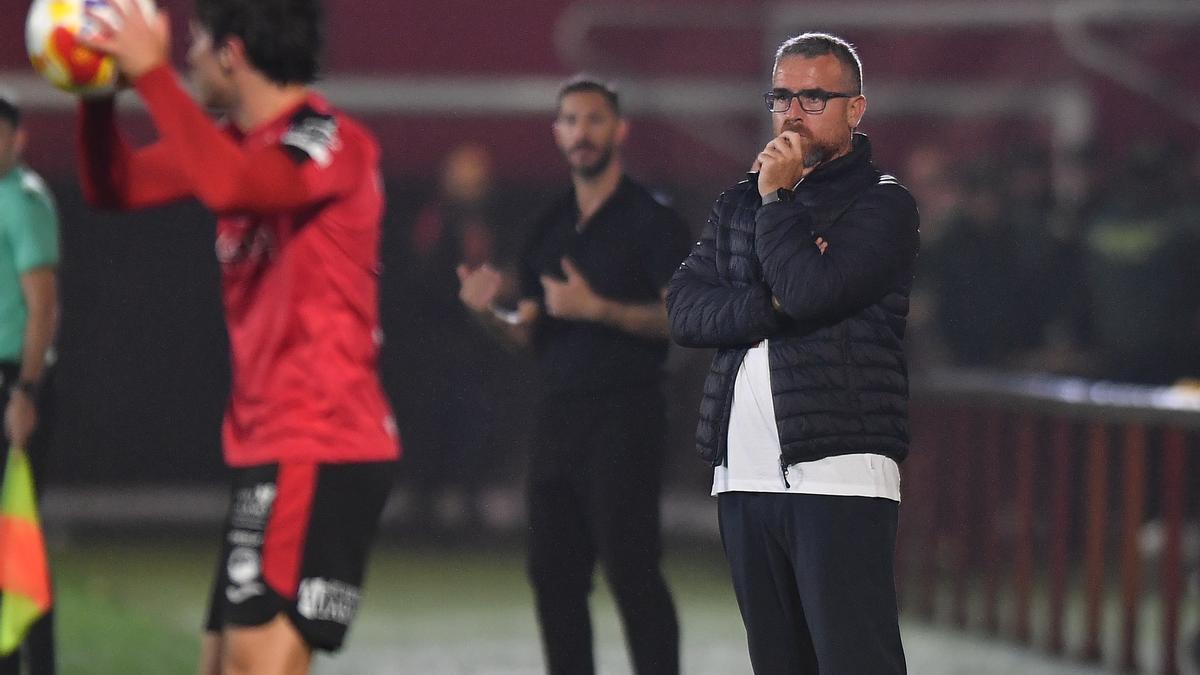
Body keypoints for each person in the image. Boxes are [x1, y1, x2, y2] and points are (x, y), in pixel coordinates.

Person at [75, 1, 400, 673]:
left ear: (233, 52)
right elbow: (114, 186)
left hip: (321, 436)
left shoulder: (329, 137)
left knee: (258, 664)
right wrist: (98, 95)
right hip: (271, 442)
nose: (188, 55)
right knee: (224, 664)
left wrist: (151, 76)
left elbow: (233, 188)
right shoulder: (233, 145)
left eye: (196, 40)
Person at [666, 33, 919, 674]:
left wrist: (778, 200)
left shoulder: (882, 203)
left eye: (814, 96)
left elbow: (811, 292)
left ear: (856, 110)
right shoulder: (737, 201)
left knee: (855, 660)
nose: (793, 113)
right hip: (742, 475)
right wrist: (767, 306)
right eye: (782, 96)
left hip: (840, 467)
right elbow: (685, 310)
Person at [457, 76, 688, 675]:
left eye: (594, 120)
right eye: (570, 121)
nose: (581, 133)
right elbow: (528, 331)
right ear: (557, 133)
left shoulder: (652, 219)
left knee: (631, 568)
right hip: (560, 414)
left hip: (628, 410)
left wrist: (599, 309)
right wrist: (487, 313)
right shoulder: (547, 226)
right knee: (553, 574)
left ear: (620, 130)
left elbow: (683, 319)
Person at [0, 90, 59, 675]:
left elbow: (43, 307)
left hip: (13, 382)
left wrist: (26, 392)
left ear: (17, 139)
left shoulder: (23, 202)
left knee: (19, 544)